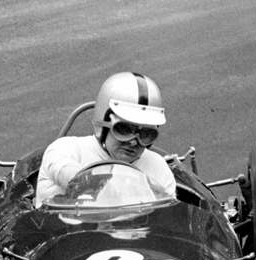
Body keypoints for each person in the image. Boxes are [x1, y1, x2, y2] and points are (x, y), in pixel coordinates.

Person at [35, 72, 175, 204]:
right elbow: (75, 180)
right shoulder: (65, 149)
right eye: (124, 129)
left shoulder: (158, 166)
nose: (133, 141)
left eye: (146, 133)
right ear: (104, 125)